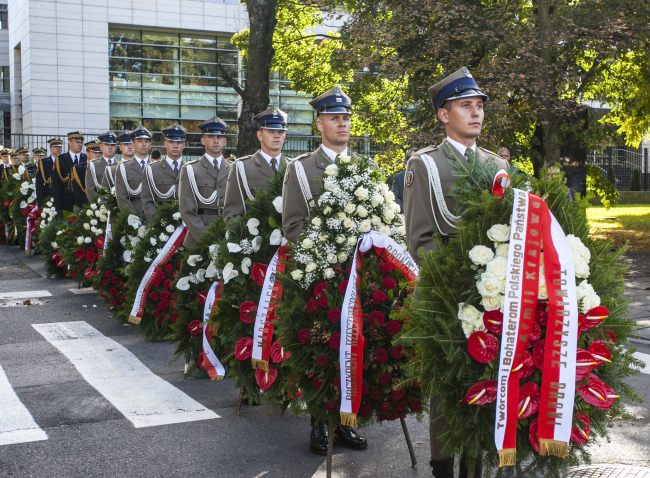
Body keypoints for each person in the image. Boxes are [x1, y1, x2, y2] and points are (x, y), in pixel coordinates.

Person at [403, 67, 508, 478]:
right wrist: (459, 286)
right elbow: (420, 239)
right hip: (447, 295)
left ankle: (477, 463)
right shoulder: (425, 165)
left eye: (479, 106)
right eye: (466, 106)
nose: (476, 113)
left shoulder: (496, 164)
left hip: (493, 293)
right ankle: (443, 466)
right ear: (444, 115)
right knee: (449, 386)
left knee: (488, 378)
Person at [282, 86, 369, 456]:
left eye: (347, 117)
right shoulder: (301, 169)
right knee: (322, 350)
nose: (343, 123)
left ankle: (348, 423)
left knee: (358, 349)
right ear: (320, 124)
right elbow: (292, 226)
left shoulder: (367, 166)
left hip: (361, 275)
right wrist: (328, 253)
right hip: (321, 278)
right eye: (335, 117)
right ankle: (319, 422)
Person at [223, 107, 288, 222]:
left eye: (281, 132)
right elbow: (232, 214)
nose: (277, 135)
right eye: (270, 131)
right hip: (254, 236)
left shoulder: (293, 167)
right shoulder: (242, 167)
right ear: (259, 135)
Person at [179, 116, 232, 248]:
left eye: (219, 137)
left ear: (225, 141)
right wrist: (205, 238)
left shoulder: (234, 168)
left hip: (228, 236)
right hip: (199, 238)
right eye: (211, 136)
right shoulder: (191, 169)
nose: (215, 140)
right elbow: (186, 210)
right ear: (203, 140)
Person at [142, 123, 185, 223]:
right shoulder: (152, 169)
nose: (175, 145)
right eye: (171, 142)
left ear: (184, 145)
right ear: (165, 144)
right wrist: (158, 221)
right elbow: (147, 200)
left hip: (186, 226)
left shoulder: (191, 169)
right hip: (160, 225)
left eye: (179, 142)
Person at [114, 126, 151, 220]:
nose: (144, 144)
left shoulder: (158, 166)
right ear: (133, 144)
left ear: (150, 144)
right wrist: (134, 219)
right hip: (132, 217)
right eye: (139, 141)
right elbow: (121, 197)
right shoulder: (123, 168)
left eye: (147, 141)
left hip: (154, 216)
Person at [52, 132, 87, 212]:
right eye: (77, 142)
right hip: (66, 202)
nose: (80, 144)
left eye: (81, 142)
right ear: (70, 142)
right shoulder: (60, 159)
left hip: (84, 203)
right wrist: (58, 207)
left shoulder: (86, 158)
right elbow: (56, 185)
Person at [86, 132, 118, 202]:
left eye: (112, 145)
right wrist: (101, 205)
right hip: (100, 207)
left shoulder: (122, 165)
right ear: (100, 146)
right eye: (106, 144)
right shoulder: (93, 165)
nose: (110, 148)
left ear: (116, 147)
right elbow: (90, 190)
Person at [35, 138, 62, 207]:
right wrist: (40, 200)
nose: (58, 148)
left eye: (60, 147)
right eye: (55, 147)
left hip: (63, 195)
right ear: (50, 148)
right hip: (49, 195)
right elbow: (39, 183)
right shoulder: (44, 162)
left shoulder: (65, 160)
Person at [392, 147, 417, 213]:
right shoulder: (399, 177)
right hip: (404, 215)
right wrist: (405, 211)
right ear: (407, 161)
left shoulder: (426, 177)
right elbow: (395, 197)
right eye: (413, 159)